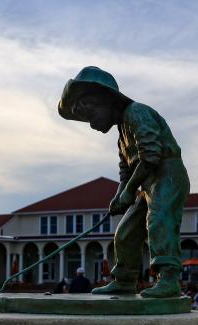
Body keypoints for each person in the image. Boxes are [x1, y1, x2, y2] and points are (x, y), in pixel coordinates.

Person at [58, 66, 189, 299]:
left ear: (105, 102)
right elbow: (126, 171)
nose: (92, 125)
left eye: (91, 116)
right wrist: (120, 194)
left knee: (159, 220)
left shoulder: (136, 112)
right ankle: (125, 280)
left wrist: (128, 191)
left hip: (168, 174)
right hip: (146, 182)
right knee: (126, 230)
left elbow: (151, 156)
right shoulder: (121, 136)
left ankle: (168, 279)